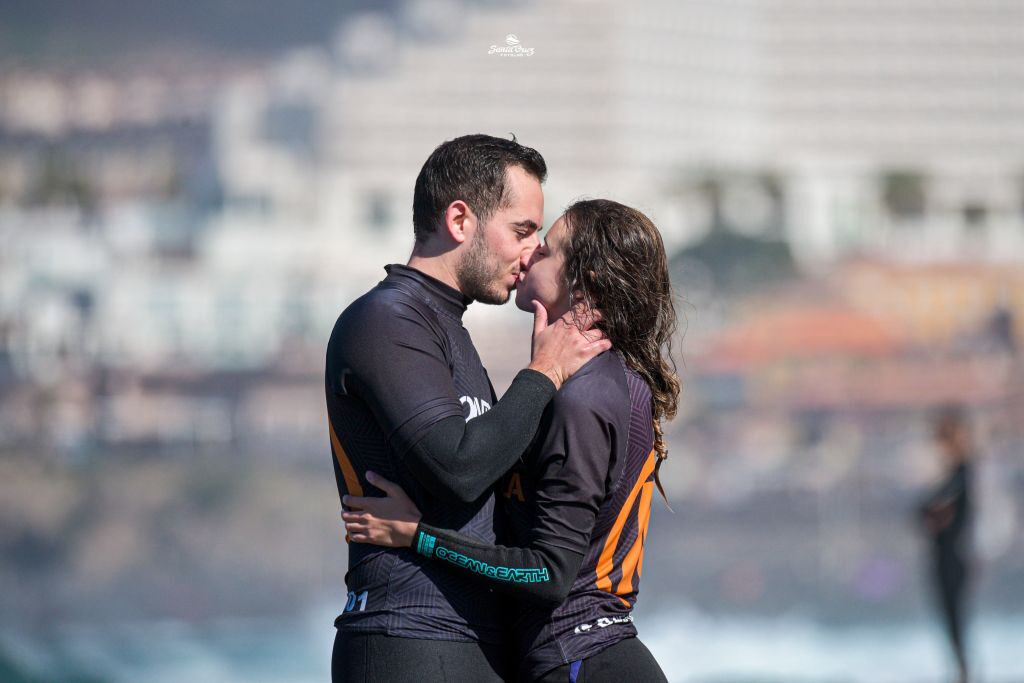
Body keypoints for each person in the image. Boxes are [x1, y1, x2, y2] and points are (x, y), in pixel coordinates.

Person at [343, 199, 679, 682]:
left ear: (585, 284)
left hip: (582, 659)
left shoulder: (582, 396)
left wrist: (418, 536)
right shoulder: (602, 381)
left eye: (547, 249)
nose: (529, 254)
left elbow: (547, 574)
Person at [325, 134, 611, 683]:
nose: (532, 254)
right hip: (406, 636)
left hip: (467, 642)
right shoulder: (386, 321)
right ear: (460, 220)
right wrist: (544, 373)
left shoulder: (446, 326)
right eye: (522, 231)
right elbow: (460, 469)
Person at [918, 405, 974, 683]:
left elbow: (939, 511)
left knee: (954, 617)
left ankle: (963, 673)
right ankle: (960, 672)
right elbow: (925, 512)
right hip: (944, 555)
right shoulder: (950, 476)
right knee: (949, 618)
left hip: (954, 555)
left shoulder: (961, 473)